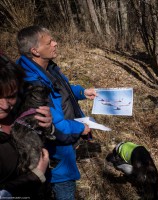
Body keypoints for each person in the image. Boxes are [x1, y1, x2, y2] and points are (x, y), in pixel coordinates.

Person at [16, 25, 97, 200]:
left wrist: (82, 92)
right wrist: (80, 128)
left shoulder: (47, 67)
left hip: (59, 150)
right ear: (35, 51)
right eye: (49, 42)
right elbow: (56, 126)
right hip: (56, 157)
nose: (56, 43)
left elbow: (61, 90)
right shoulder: (33, 86)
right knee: (64, 191)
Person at [0, 52, 51, 198]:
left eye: (10, 96)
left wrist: (46, 127)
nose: (4, 105)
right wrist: (35, 177)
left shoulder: (19, 109)